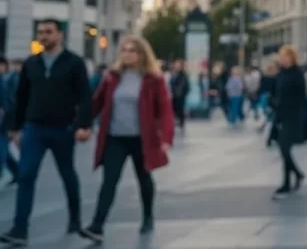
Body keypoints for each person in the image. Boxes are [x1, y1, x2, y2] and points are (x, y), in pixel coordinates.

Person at [2, 19, 92, 246]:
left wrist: (83, 125)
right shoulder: (31, 63)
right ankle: (20, 229)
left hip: (63, 128)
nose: (43, 36)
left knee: (67, 174)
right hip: (34, 129)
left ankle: (75, 218)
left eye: (49, 32)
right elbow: (22, 97)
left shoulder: (74, 63)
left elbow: (84, 96)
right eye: (40, 32)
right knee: (26, 174)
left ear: (60, 35)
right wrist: (16, 128)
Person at [79, 36, 175, 243]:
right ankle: (97, 226)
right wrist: (82, 124)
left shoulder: (153, 79)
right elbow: (97, 103)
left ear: (142, 54)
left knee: (144, 179)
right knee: (109, 181)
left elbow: (165, 109)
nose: (127, 54)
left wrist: (166, 137)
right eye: (124, 50)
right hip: (115, 138)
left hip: (142, 139)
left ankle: (148, 216)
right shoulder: (112, 77)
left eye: (132, 51)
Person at [272, 46, 307, 200]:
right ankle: (287, 181)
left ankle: (297, 174)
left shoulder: (297, 74)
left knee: (284, 147)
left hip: (293, 115)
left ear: (292, 58)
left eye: (285, 56)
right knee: (283, 148)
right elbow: (276, 92)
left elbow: (302, 96)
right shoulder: (280, 74)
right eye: (281, 56)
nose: (282, 59)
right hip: (282, 114)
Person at [169, 60, 190, 132]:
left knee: (180, 109)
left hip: (180, 96)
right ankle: (177, 122)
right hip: (175, 95)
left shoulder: (183, 75)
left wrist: (181, 93)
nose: (176, 66)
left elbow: (185, 85)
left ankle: (181, 123)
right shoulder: (174, 74)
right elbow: (172, 83)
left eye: (178, 65)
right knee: (175, 109)